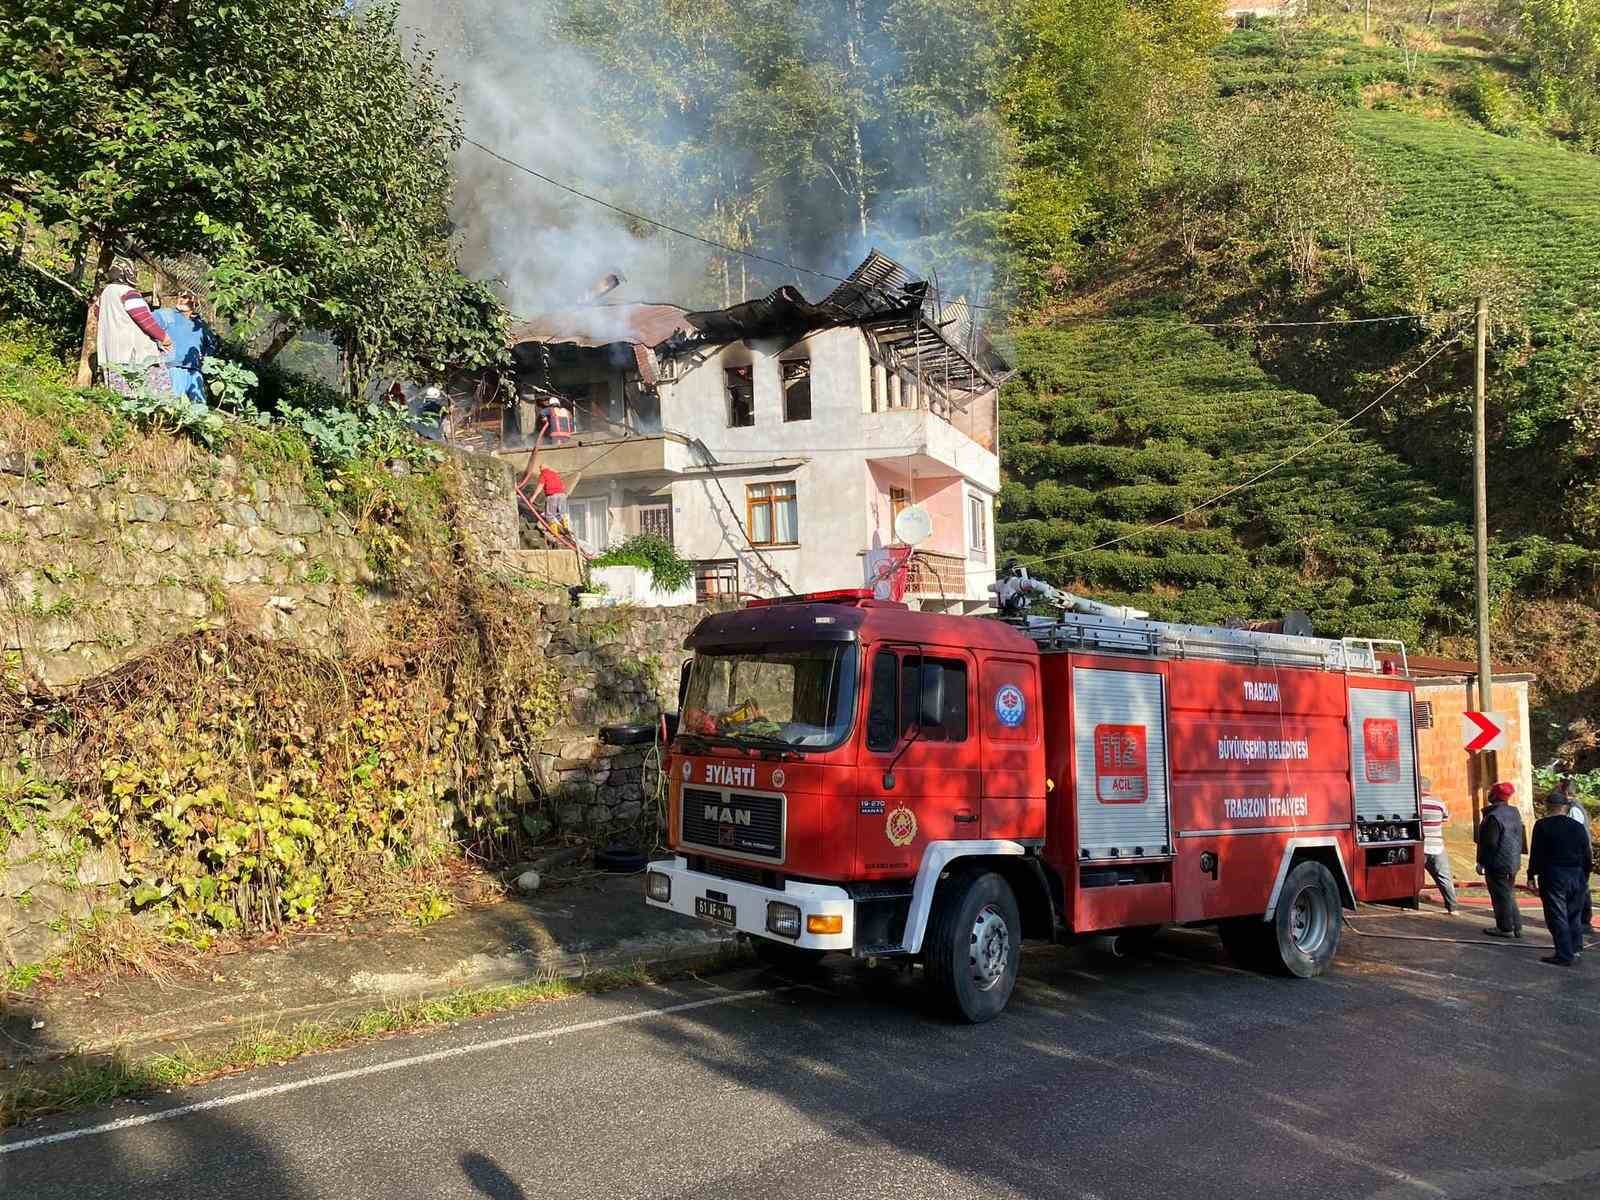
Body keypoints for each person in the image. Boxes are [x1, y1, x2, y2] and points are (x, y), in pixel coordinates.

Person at [1527, 789, 1594, 966]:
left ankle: (1564, 954)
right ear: (1565, 807)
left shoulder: (1542, 825)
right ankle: (1576, 948)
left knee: (1557, 915)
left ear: (1548, 806)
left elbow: (1536, 854)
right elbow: (1587, 854)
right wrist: (1585, 874)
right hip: (1576, 873)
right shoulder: (1577, 827)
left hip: (1553, 873)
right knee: (1574, 914)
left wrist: (1531, 875)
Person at [95, 260, 172, 396]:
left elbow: (97, 312)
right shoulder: (128, 292)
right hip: (133, 352)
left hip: (112, 351)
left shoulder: (105, 293)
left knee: (119, 394)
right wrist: (163, 337)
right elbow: (144, 320)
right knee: (147, 394)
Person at [1476, 780, 1526, 938]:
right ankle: (1516, 926)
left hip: (1497, 862)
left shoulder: (1493, 816)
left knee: (1500, 895)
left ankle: (1505, 927)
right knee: (1508, 893)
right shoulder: (1514, 812)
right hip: (1513, 860)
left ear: (1494, 795)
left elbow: (1489, 843)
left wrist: (1481, 862)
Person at [153, 291, 213, 404]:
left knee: (200, 408)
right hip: (172, 367)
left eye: (186, 297)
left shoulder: (200, 325)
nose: (181, 299)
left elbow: (211, 344)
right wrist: (158, 343)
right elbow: (148, 328)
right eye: (180, 296)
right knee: (171, 404)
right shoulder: (165, 315)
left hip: (195, 371)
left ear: (195, 301)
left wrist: (205, 357)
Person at [1419, 777, 1458, 914]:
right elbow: (1446, 818)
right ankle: (1452, 907)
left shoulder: (1415, 803)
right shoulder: (1439, 802)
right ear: (1429, 788)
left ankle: (1409, 902)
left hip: (1420, 846)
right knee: (1444, 877)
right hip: (1437, 846)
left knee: (1414, 877)